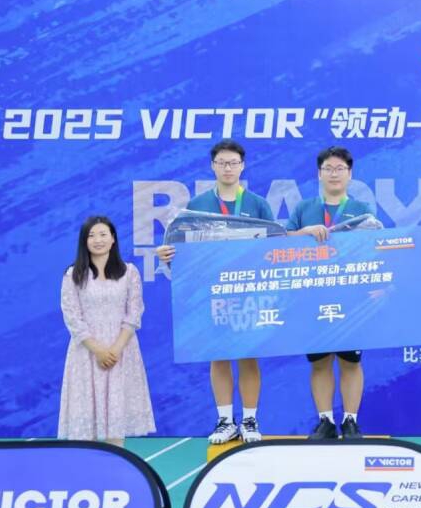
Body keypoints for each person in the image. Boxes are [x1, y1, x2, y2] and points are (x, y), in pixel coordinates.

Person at [156, 139, 274, 444]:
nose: (228, 168)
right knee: (218, 355)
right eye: (222, 162)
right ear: (213, 166)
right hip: (210, 293)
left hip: (249, 291)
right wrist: (167, 256)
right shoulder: (197, 206)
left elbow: (274, 248)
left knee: (248, 355)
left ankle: (249, 419)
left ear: (242, 166)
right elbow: (181, 251)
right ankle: (225, 420)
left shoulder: (258, 204)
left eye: (233, 162)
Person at [286, 146, 376, 440]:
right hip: (312, 295)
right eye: (328, 168)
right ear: (319, 174)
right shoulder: (304, 209)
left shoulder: (363, 210)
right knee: (320, 361)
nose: (334, 174)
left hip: (352, 294)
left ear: (350, 174)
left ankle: (351, 421)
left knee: (351, 361)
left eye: (340, 169)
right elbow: (281, 244)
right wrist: (304, 233)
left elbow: (375, 247)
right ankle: (325, 421)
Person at [59, 216, 154, 445]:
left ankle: (117, 462)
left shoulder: (129, 272)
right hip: (86, 353)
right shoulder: (73, 275)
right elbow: (72, 316)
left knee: (116, 419)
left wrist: (115, 350)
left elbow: (134, 312)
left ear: (113, 239)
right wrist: (98, 350)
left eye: (103, 234)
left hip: (122, 351)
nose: (98, 240)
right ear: (84, 241)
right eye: (91, 235)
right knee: (86, 422)